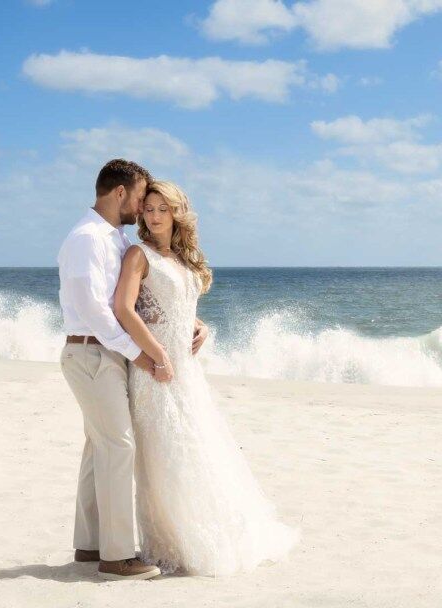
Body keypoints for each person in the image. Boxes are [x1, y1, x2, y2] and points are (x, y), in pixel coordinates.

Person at [113, 180, 300, 576]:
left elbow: (176, 305)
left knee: (196, 448)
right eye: (148, 208)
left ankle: (200, 535)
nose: (154, 215)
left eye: (163, 208)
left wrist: (202, 326)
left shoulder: (183, 259)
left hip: (187, 370)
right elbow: (125, 309)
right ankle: (169, 543)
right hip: (155, 370)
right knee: (163, 455)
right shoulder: (138, 254)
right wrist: (158, 354)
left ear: (178, 212)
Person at [56, 159, 208, 580]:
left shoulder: (116, 240)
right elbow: (96, 310)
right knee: (119, 447)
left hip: (107, 353)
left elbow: (149, 297)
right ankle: (117, 556)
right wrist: (143, 354)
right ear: (120, 193)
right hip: (91, 353)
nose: (144, 208)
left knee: (98, 447)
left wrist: (190, 322)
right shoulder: (88, 238)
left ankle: (89, 545)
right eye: (142, 198)